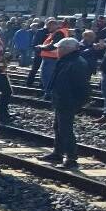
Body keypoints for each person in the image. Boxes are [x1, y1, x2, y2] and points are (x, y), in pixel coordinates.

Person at [39, 38, 89, 169]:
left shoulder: (76, 63)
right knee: (58, 127)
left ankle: (71, 159)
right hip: (61, 99)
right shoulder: (67, 60)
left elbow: (81, 85)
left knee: (65, 129)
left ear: (67, 49)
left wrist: (76, 101)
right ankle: (58, 153)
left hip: (68, 100)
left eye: (59, 48)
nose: (57, 50)